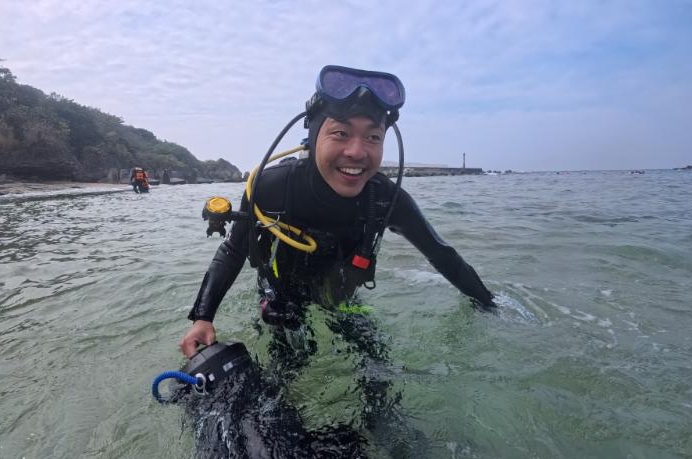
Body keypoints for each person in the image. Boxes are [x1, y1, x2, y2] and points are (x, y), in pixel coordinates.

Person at [180, 65, 494, 358]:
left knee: (377, 365)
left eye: (373, 137)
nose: (357, 151)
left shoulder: (386, 199)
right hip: (281, 297)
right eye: (341, 133)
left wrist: (489, 305)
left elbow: (441, 254)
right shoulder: (272, 186)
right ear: (315, 137)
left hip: (340, 299)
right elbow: (233, 250)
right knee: (287, 366)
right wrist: (202, 318)